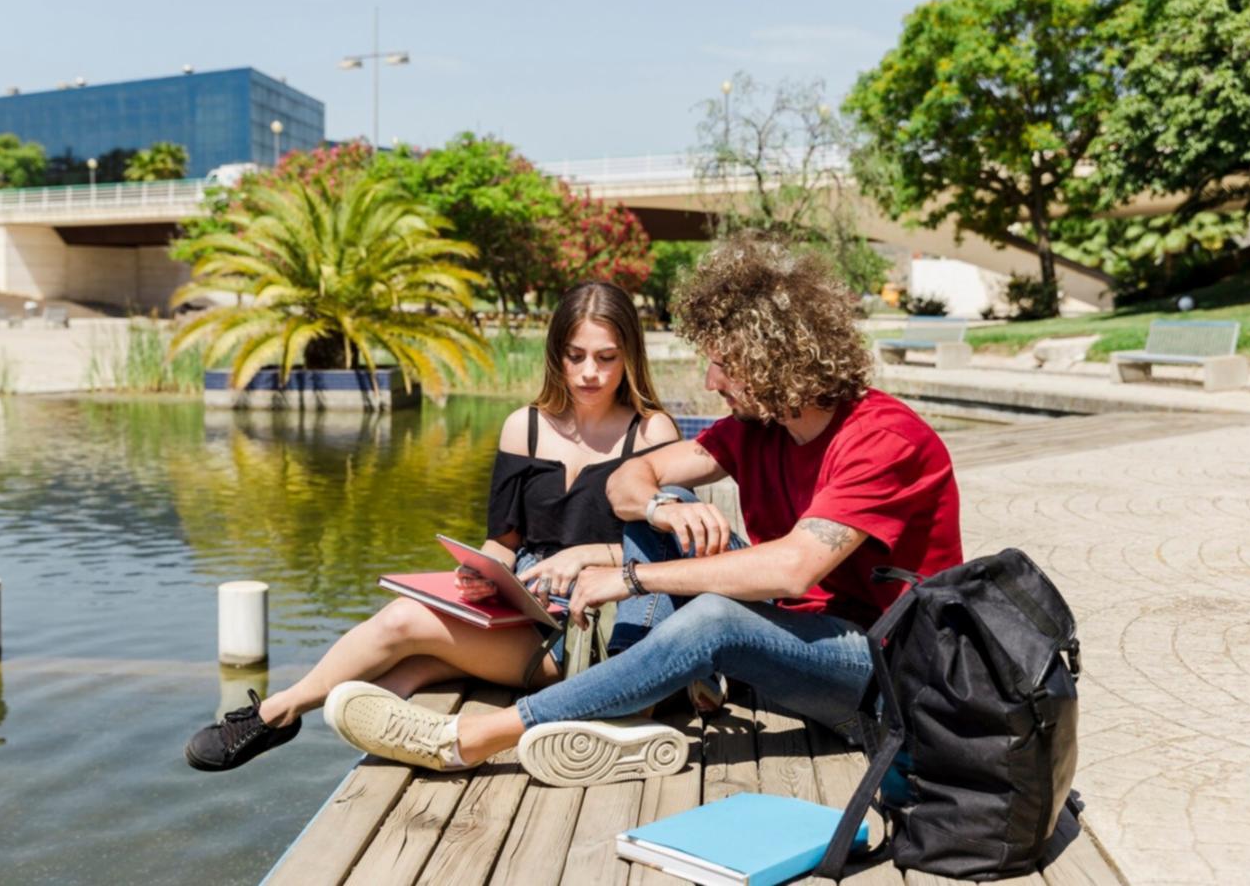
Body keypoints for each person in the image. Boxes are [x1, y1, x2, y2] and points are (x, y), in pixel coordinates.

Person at [322, 236, 965, 787]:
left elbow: (794, 570)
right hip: (798, 643)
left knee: (713, 617)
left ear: (775, 362)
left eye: (723, 365)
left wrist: (630, 578)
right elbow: (633, 479)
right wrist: (660, 508)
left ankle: (472, 740)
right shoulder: (756, 429)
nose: (711, 382)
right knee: (678, 508)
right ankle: (629, 705)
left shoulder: (884, 438)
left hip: (883, 673)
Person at [184, 281, 680, 771]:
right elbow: (504, 540)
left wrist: (588, 554)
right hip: (526, 611)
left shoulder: (652, 431)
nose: (589, 372)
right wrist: (484, 572)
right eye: (575, 356)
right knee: (407, 669)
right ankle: (369, 722)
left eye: (606, 357)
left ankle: (277, 712)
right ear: (556, 354)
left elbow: (669, 555)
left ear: (629, 356)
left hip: (600, 631)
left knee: (406, 624)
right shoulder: (524, 426)